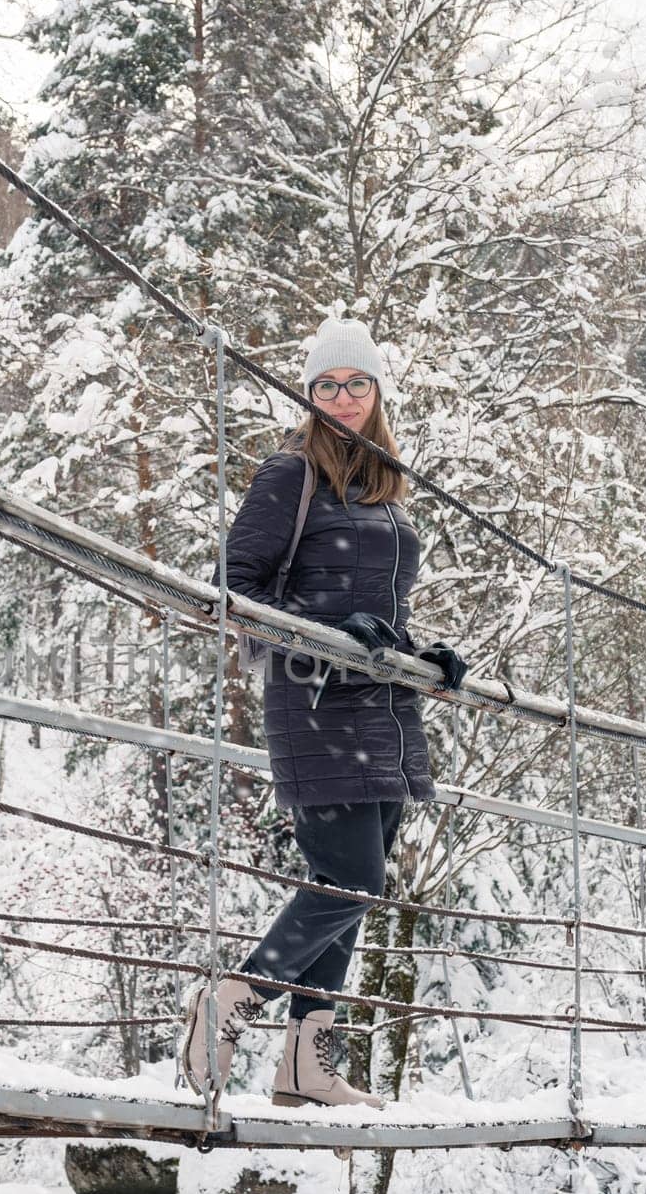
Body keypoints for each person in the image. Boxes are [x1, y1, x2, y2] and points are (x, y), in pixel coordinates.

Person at [182, 317, 469, 1110]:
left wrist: (422, 653)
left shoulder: (386, 486)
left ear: (378, 392)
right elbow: (234, 589)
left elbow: (373, 604)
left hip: (384, 705)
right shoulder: (291, 473)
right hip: (314, 698)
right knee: (351, 878)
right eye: (326, 386)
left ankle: (308, 1065)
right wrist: (331, 634)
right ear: (308, 396)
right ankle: (236, 995)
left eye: (355, 383)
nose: (342, 398)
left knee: (355, 885)